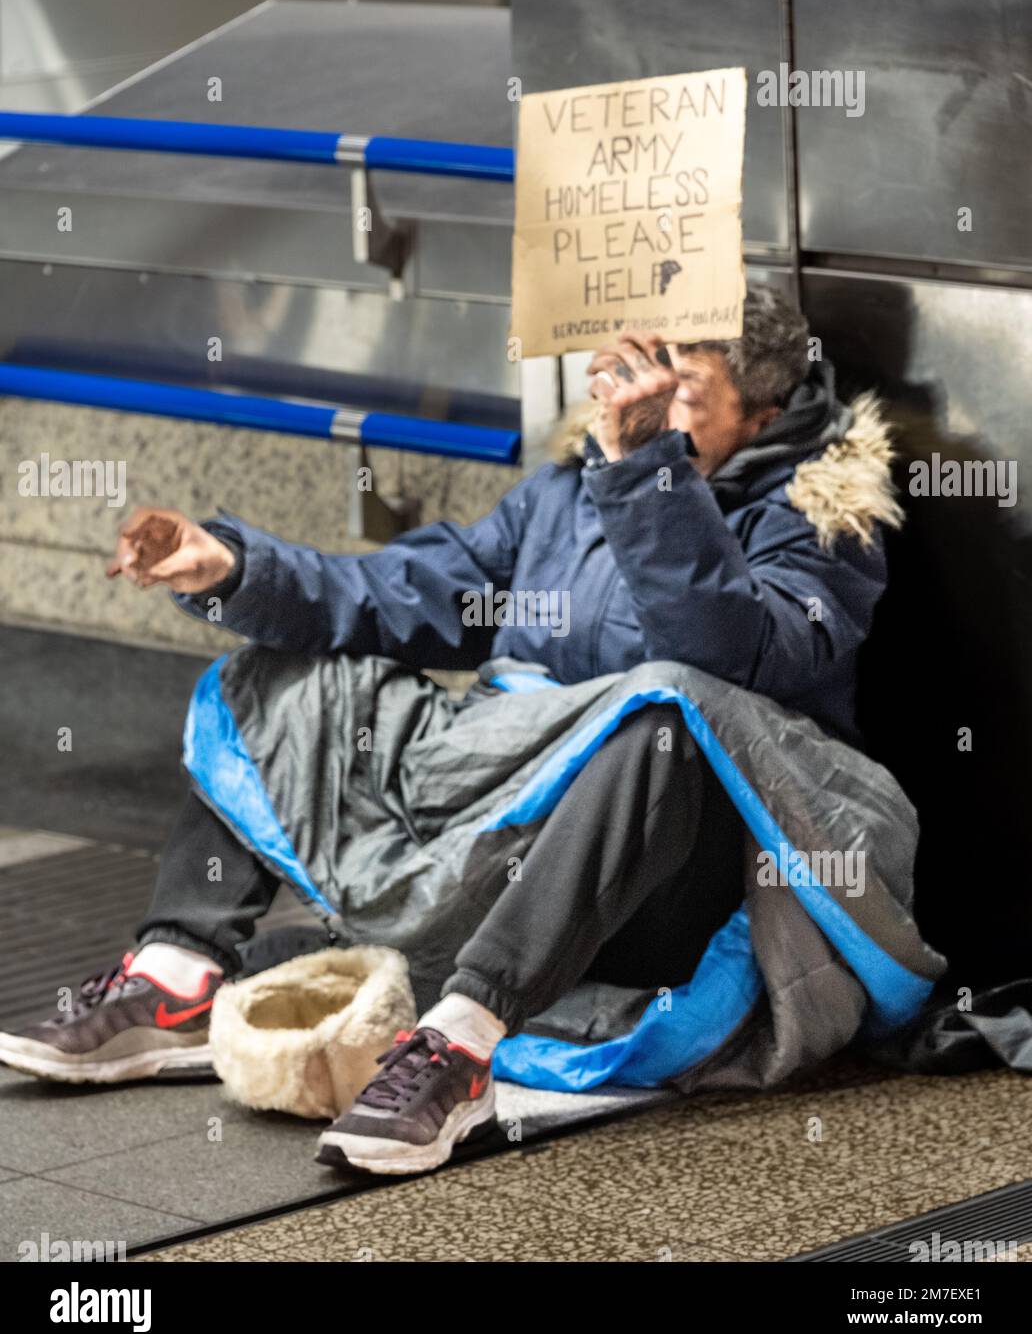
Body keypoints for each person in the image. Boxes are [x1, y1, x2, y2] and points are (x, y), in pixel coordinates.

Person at [0, 287, 905, 1174]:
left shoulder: (820, 522)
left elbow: (728, 658)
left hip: (653, 881)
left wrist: (644, 473)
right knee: (278, 677)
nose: (639, 390)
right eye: (633, 363)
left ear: (764, 411)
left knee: (666, 712)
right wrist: (235, 568)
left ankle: (461, 1045)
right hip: (498, 808)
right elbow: (404, 592)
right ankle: (177, 977)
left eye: (676, 377)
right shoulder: (563, 494)